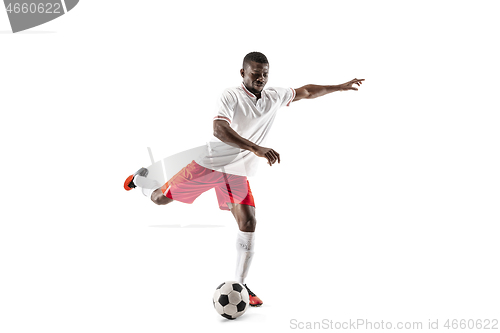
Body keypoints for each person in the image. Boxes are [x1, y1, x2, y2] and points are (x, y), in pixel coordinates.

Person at [124, 52, 364, 307]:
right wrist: (256, 148)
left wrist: (340, 87)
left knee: (248, 222)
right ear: (243, 73)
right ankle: (140, 180)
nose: (261, 78)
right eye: (255, 73)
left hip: (236, 172)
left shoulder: (273, 96)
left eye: (265, 73)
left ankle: (240, 284)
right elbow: (219, 129)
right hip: (211, 164)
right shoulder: (231, 95)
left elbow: (305, 91)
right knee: (159, 199)